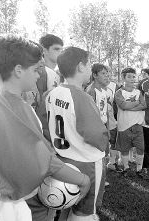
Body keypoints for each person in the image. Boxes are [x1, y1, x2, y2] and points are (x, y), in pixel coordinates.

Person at [0, 36, 90, 221]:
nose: (39, 75)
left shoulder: (10, 102)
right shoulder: (14, 108)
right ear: (18, 70)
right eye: (35, 70)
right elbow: (42, 159)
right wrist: (82, 180)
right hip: (17, 200)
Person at [45, 47, 109, 221]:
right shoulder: (81, 97)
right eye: (88, 65)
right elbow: (95, 134)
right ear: (81, 66)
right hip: (87, 162)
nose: (90, 69)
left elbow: (45, 127)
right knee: (85, 211)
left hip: (63, 160)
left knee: (68, 204)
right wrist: (106, 145)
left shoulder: (51, 93)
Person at [115, 67, 147, 177]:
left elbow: (144, 105)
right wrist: (136, 103)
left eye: (134, 76)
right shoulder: (119, 93)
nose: (132, 79)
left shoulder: (138, 92)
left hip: (137, 126)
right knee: (124, 149)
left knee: (141, 148)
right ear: (123, 77)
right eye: (129, 76)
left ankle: (139, 169)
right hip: (124, 126)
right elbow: (123, 105)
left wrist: (129, 107)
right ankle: (126, 168)